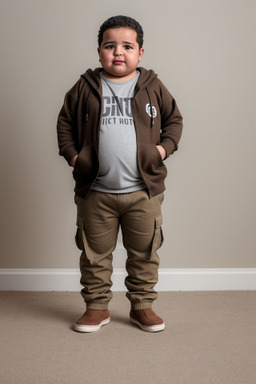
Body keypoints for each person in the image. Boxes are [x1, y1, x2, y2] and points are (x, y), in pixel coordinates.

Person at [57, 15, 183, 333]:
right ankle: (96, 307)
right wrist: (74, 157)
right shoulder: (85, 86)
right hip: (96, 190)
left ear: (140, 53)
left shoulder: (153, 86)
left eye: (127, 46)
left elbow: (175, 122)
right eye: (110, 45)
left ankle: (143, 306)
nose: (118, 52)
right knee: (94, 254)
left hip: (143, 190)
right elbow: (64, 124)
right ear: (99, 51)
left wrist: (162, 150)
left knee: (144, 252)